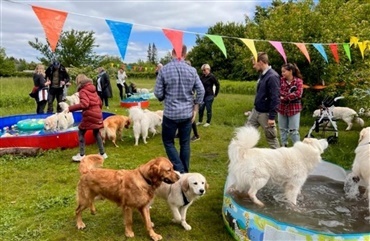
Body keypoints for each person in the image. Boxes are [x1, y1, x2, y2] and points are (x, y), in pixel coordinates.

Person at [154, 45, 205, 173]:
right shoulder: (192, 70)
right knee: (185, 143)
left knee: (168, 141)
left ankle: (180, 170)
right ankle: (185, 172)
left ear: (172, 53)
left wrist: (164, 96)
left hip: (170, 113)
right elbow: (201, 90)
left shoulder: (164, 70)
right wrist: (196, 107)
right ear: (185, 54)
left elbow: (158, 93)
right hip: (187, 114)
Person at [67, 74, 107, 162]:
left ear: (79, 82)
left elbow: (85, 104)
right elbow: (100, 102)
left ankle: (81, 155)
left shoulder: (83, 91)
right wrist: (97, 111)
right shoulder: (93, 89)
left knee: (81, 131)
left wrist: (70, 108)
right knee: (96, 132)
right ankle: (102, 153)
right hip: (98, 114)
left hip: (90, 115)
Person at [246, 52, 280, 149]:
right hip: (256, 111)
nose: (253, 66)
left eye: (254, 63)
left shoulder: (272, 77)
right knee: (246, 133)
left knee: (271, 138)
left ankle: (279, 159)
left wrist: (272, 117)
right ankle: (245, 156)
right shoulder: (262, 75)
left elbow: (275, 98)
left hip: (266, 114)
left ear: (260, 62)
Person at [277, 63, 304, 147]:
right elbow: (278, 92)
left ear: (290, 71)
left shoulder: (298, 81)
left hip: (294, 109)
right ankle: (284, 147)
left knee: (294, 130)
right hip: (281, 109)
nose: (282, 73)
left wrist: (284, 97)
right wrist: (289, 95)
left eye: (284, 71)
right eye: (282, 72)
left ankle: (298, 148)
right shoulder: (280, 81)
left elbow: (298, 94)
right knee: (282, 130)